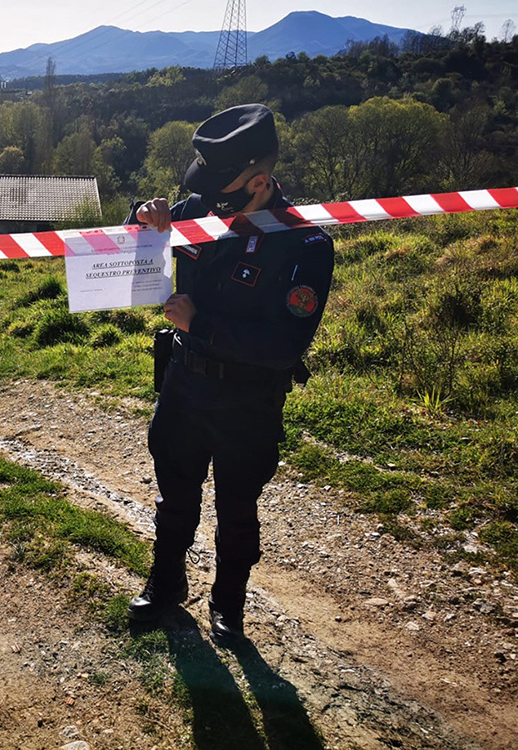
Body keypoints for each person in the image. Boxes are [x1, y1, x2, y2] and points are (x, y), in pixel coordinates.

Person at [126, 103, 335, 643]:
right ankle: (166, 581)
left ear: (260, 182)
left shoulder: (305, 242)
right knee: (175, 496)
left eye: (224, 192)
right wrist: (143, 221)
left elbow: (283, 346)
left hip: (248, 399)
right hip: (183, 385)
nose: (207, 202)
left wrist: (203, 323)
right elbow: (140, 240)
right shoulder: (200, 207)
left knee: (237, 509)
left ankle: (229, 605)